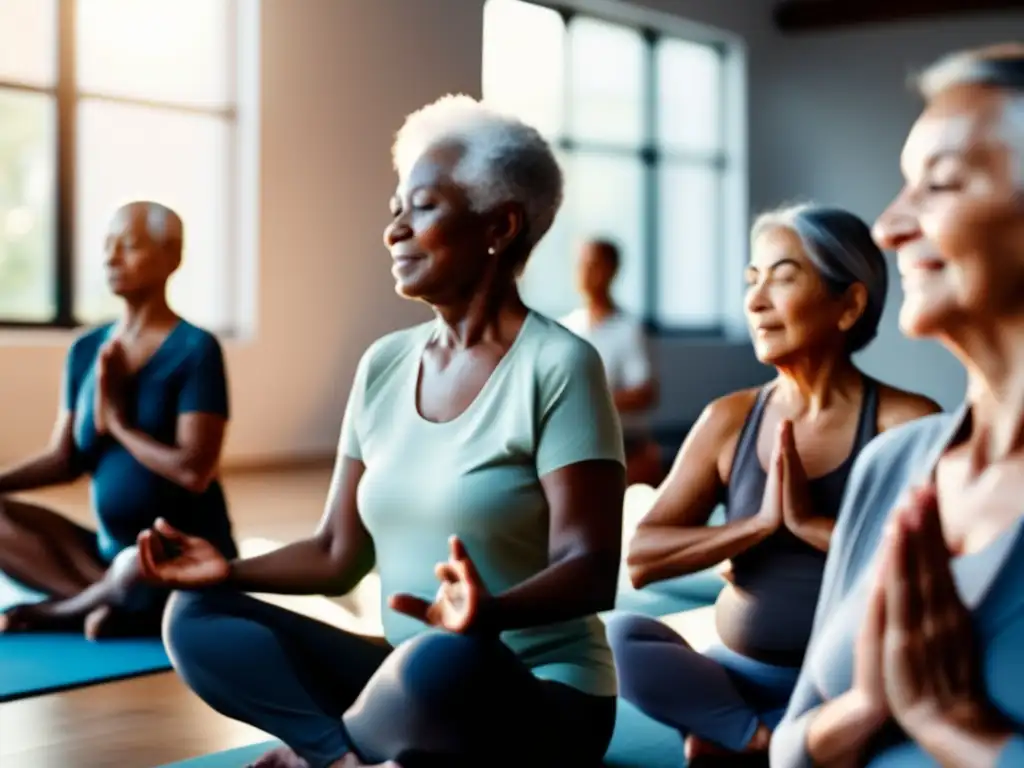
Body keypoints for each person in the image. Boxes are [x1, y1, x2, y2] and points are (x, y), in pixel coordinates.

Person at [136, 95, 625, 768]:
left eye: (421, 207)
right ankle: (340, 757)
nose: (394, 229)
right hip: (402, 676)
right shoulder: (384, 365)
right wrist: (229, 570)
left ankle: (328, 752)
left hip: (536, 695)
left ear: (499, 226)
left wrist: (491, 614)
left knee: (438, 662)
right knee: (196, 616)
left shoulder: (560, 364)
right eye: (395, 207)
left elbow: (593, 570)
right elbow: (339, 551)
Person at [605, 203, 941, 764]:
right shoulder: (729, 419)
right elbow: (641, 557)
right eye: (751, 281)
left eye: (783, 278)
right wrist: (754, 528)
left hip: (846, 684)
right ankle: (760, 740)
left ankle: (746, 739)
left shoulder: (905, 423)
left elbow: (935, 569)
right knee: (617, 636)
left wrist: (810, 527)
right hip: (735, 674)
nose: (756, 301)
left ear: (849, 304)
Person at [771, 44, 1024, 768]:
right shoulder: (895, 465)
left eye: (939, 184)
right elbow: (791, 744)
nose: (887, 228)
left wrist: (956, 731)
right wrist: (863, 711)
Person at [0, 201, 235, 639]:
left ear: (172, 257)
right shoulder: (86, 349)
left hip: (176, 556)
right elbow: (64, 459)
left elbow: (194, 472)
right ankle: (102, 602)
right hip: (105, 554)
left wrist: (121, 424)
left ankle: (66, 610)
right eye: (107, 246)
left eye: (127, 246)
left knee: (137, 563)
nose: (110, 258)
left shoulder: (196, 350)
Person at [560, 239, 662, 486]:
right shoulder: (566, 327)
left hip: (623, 447)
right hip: (573, 448)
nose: (584, 273)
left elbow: (644, 393)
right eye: (580, 265)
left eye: (593, 265)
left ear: (611, 271)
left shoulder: (628, 329)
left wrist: (589, 401)